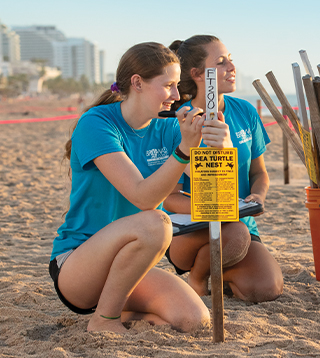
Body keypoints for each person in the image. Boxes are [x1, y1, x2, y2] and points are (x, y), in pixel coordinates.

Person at [50, 42, 235, 333]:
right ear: (137, 82)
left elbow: (218, 201)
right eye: (169, 85)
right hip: (79, 263)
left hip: (128, 269)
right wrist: (185, 151)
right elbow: (142, 197)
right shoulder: (97, 124)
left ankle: (117, 312)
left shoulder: (169, 128)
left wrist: (221, 150)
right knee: (156, 223)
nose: (176, 95)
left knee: (193, 320)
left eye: (177, 86)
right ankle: (104, 320)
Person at [162, 35, 283, 302]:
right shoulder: (177, 120)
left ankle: (225, 269)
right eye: (220, 62)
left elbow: (258, 173)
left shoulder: (245, 112)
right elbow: (168, 197)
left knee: (267, 287)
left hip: (240, 223)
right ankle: (197, 276)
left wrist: (257, 197)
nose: (231, 67)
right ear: (196, 74)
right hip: (192, 230)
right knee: (236, 234)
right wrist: (216, 207)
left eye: (231, 60)